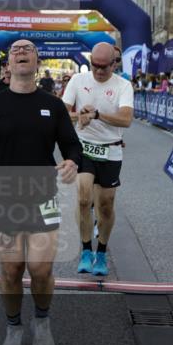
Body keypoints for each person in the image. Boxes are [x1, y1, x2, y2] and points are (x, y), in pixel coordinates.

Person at [0, 39, 80, 345]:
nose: (20, 52)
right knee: (12, 269)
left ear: (36, 60)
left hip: (43, 194)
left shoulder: (53, 105)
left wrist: (72, 162)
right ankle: (13, 327)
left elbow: (72, 145)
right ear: (8, 66)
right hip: (5, 196)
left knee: (41, 270)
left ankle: (41, 322)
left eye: (27, 49)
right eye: (14, 50)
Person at [61, 42, 134, 276]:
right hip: (83, 146)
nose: (99, 71)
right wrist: (78, 116)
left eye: (104, 67)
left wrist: (97, 115)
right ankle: (85, 250)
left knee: (105, 205)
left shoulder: (123, 85)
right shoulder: (78, 81)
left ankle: (101, 252)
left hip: (111, 150)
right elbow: (62, 114)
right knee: (83, 199)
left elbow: (126, 119)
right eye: (95, 66)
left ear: (115, 63)